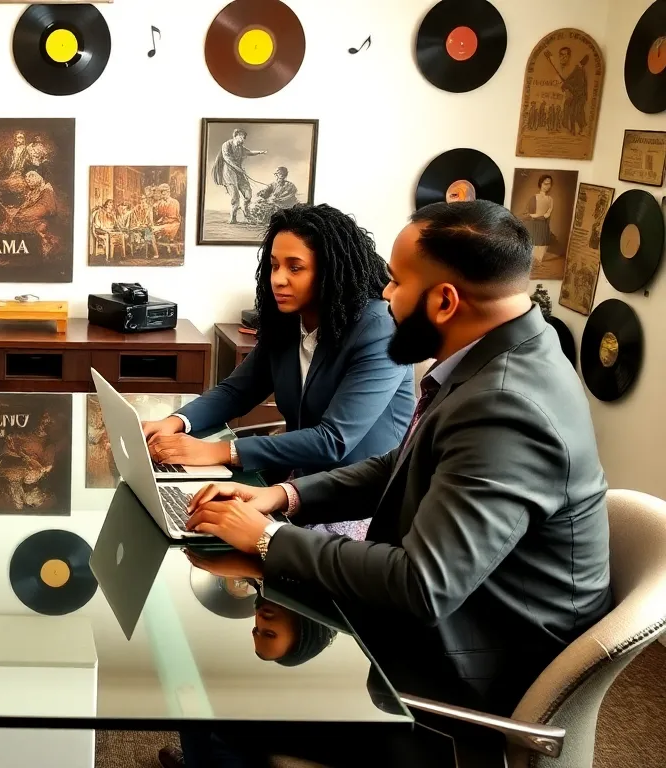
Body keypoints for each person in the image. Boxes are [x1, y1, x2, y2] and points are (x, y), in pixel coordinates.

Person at [176, 200, 612, 766]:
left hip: (462, 681)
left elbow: (421, 585)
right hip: (455, 624)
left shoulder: (506, 405)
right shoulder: (501, 357)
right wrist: (283, 495)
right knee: (209, 678)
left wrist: (266, 537)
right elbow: (400, 465)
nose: (384, 297)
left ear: (445, 301)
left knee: (213, 699)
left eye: (397, 283)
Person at [143, 204, 413, 539]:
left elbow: (334, 441)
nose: (277, 279)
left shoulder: (378, 329)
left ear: (330, 271)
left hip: (360, 504)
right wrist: (172, 423)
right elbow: (236, 391)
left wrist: (218, 451)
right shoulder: (287, 322)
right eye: (273, 266)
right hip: (298, 483)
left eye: (294, 268)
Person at [212, 129, 267, 225]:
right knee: (235, 196)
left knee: (248, 194)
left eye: (244, 137)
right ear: (235, 136)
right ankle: (233, 218)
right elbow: (227, 158)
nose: (243, 139)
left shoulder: (240, 147)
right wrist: (238, 168)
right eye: (241, 136)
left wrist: (260, 152)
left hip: (239, 172)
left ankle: (246, 212)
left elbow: (249, 152)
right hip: (229, 173)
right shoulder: (226, 145)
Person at [5, 170, 59, 254]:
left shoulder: (47, 190)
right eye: (27, 181)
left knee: (29, 224)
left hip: (43, 220)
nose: (28, 183)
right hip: (35, 217)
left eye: (30, 180)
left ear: (36, 179)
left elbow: (45, 208)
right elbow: (26, 205)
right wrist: (17, 210)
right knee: (15, 219)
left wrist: (25, 213)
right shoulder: (34, 191)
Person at [524, 174, 555, 268]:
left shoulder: (550, 199)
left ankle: (539, 261)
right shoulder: (534, 197)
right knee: (534, 242)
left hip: (543, 223)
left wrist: (545, 216)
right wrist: (535, 216)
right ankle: (532, 262)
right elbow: (528, 212)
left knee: (543, 242)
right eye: (545, 184)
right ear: (541, 184)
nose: (547, 186)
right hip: (534, 223)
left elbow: (549, 211)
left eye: (549, 184)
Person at [559, 46, 588, 136]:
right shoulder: (575, 70)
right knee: (571, 111)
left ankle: (581, 128)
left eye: (566, 55)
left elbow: (579, 85)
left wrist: (568, 86)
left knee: (577, 112)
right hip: (574, 95)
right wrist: (565, 85)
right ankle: (572, 129)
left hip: (579, 96)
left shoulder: (579, 71)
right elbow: (569, 80)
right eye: (561, 55)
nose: (563, 57)